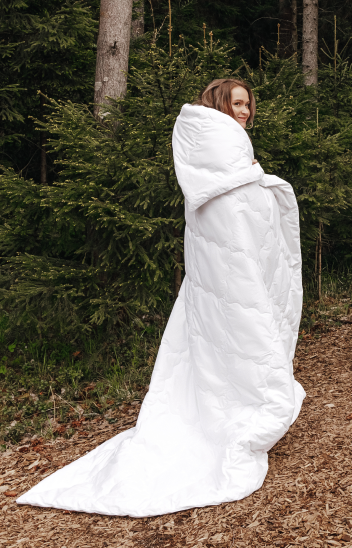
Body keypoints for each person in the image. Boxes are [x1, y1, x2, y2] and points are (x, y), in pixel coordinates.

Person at [18, 79, 305, 516]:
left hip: (234, 283)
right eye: (237, 103)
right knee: (228, 345)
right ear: (219, 106)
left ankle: (237, 401)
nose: (246, 112)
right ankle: (237, 411)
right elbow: (229, 230)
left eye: (248, 104)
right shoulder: (219, 161)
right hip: (227, 285)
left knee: (219, 347)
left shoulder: (226, 161)